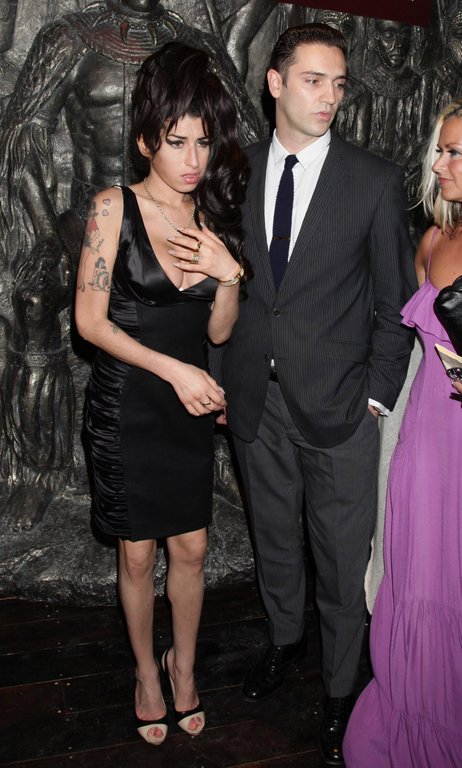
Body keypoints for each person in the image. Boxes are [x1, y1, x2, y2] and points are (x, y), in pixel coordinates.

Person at [219, 23, 416, 766]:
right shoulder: (236, 170)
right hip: (256, 402)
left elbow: (395, 306)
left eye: (338, 84)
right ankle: (284, 640)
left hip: (340, 410)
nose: (329, 96)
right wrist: (223, 373)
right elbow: (229, 284)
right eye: (313, 80)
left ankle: (339, 688)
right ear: (275, 82)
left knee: (338, 562)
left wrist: (375, 400)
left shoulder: (374, 181)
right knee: (273, 541)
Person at [74, 41, 248, 745]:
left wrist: (229, 275)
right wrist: (175, 372)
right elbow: (90, 323)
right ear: (147, 140)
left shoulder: (213, 218)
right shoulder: (111, 208)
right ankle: (147, 670)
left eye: (203, 142)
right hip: (128, 408)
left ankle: (184, 667)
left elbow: (219, 330)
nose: (193, 159)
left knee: (194, 548)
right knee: (138, 555)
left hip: (188, 411)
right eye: (178, 142)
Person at [343, 100, 462, 767]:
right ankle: (412, 709)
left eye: (454, 152)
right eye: (439, 150)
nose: (439, 163)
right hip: (425, 434)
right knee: (415, 573)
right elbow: (426, 353)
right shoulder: (432, 241)